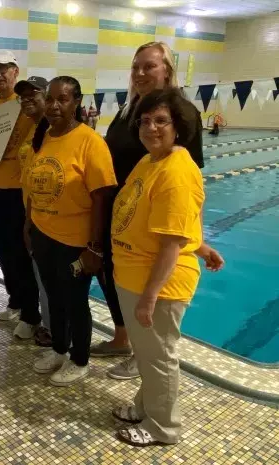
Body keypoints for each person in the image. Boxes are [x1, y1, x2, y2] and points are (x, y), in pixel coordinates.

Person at [91, 41, 222, 381]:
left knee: (146, 284)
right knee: (111, 272)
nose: (140, 72)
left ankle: (142, 351)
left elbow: (190, 182)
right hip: (121, 211)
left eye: (149, 66)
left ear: (167, 70)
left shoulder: (181, 114)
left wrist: (195, 240)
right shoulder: (131, 109)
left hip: (149, 218)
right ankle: (124, 338)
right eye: (136, 66)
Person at [110, 88, 224, 447]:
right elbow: (171, 226)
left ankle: (164, 427)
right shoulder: (151, 161)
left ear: (180, 127)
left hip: (156, 284)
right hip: (135, 276)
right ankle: (146, 406)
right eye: (145, 121)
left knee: (159, 357)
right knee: (147, 353)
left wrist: (148, 297)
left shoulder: (176, 171)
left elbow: (171, 244)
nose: (151, 128)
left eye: (161, 121)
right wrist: (202, 246)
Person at [26, 76, 117, 386]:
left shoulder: (90, 141)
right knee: (54, 297)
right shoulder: (44, 137)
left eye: (62, 99)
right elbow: (33, 186)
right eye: (49, 99)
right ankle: (59, 349)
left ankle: (80, 360)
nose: (54, 105)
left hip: (75, 241)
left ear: (77, 102)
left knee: (75, 301)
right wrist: (29, 224)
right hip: (43, 234)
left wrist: (94, 247)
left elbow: (102, 196)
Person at [0, 51, 40, 340]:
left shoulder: (26, 103)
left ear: (16, 71)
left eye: (4, 69)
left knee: (20, 254)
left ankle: (31, 314)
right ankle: (15, 301)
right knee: (3, 250)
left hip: (21, 189)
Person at [14, 76, 52, 347]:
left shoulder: (54, 130)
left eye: (34, 94)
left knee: (52, 279)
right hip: (33, 212)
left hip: (52, 217)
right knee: (42, 275)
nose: (27, 100)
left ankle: (59, 333)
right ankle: (50, 327)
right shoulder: (36, 129)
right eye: (23, 96)